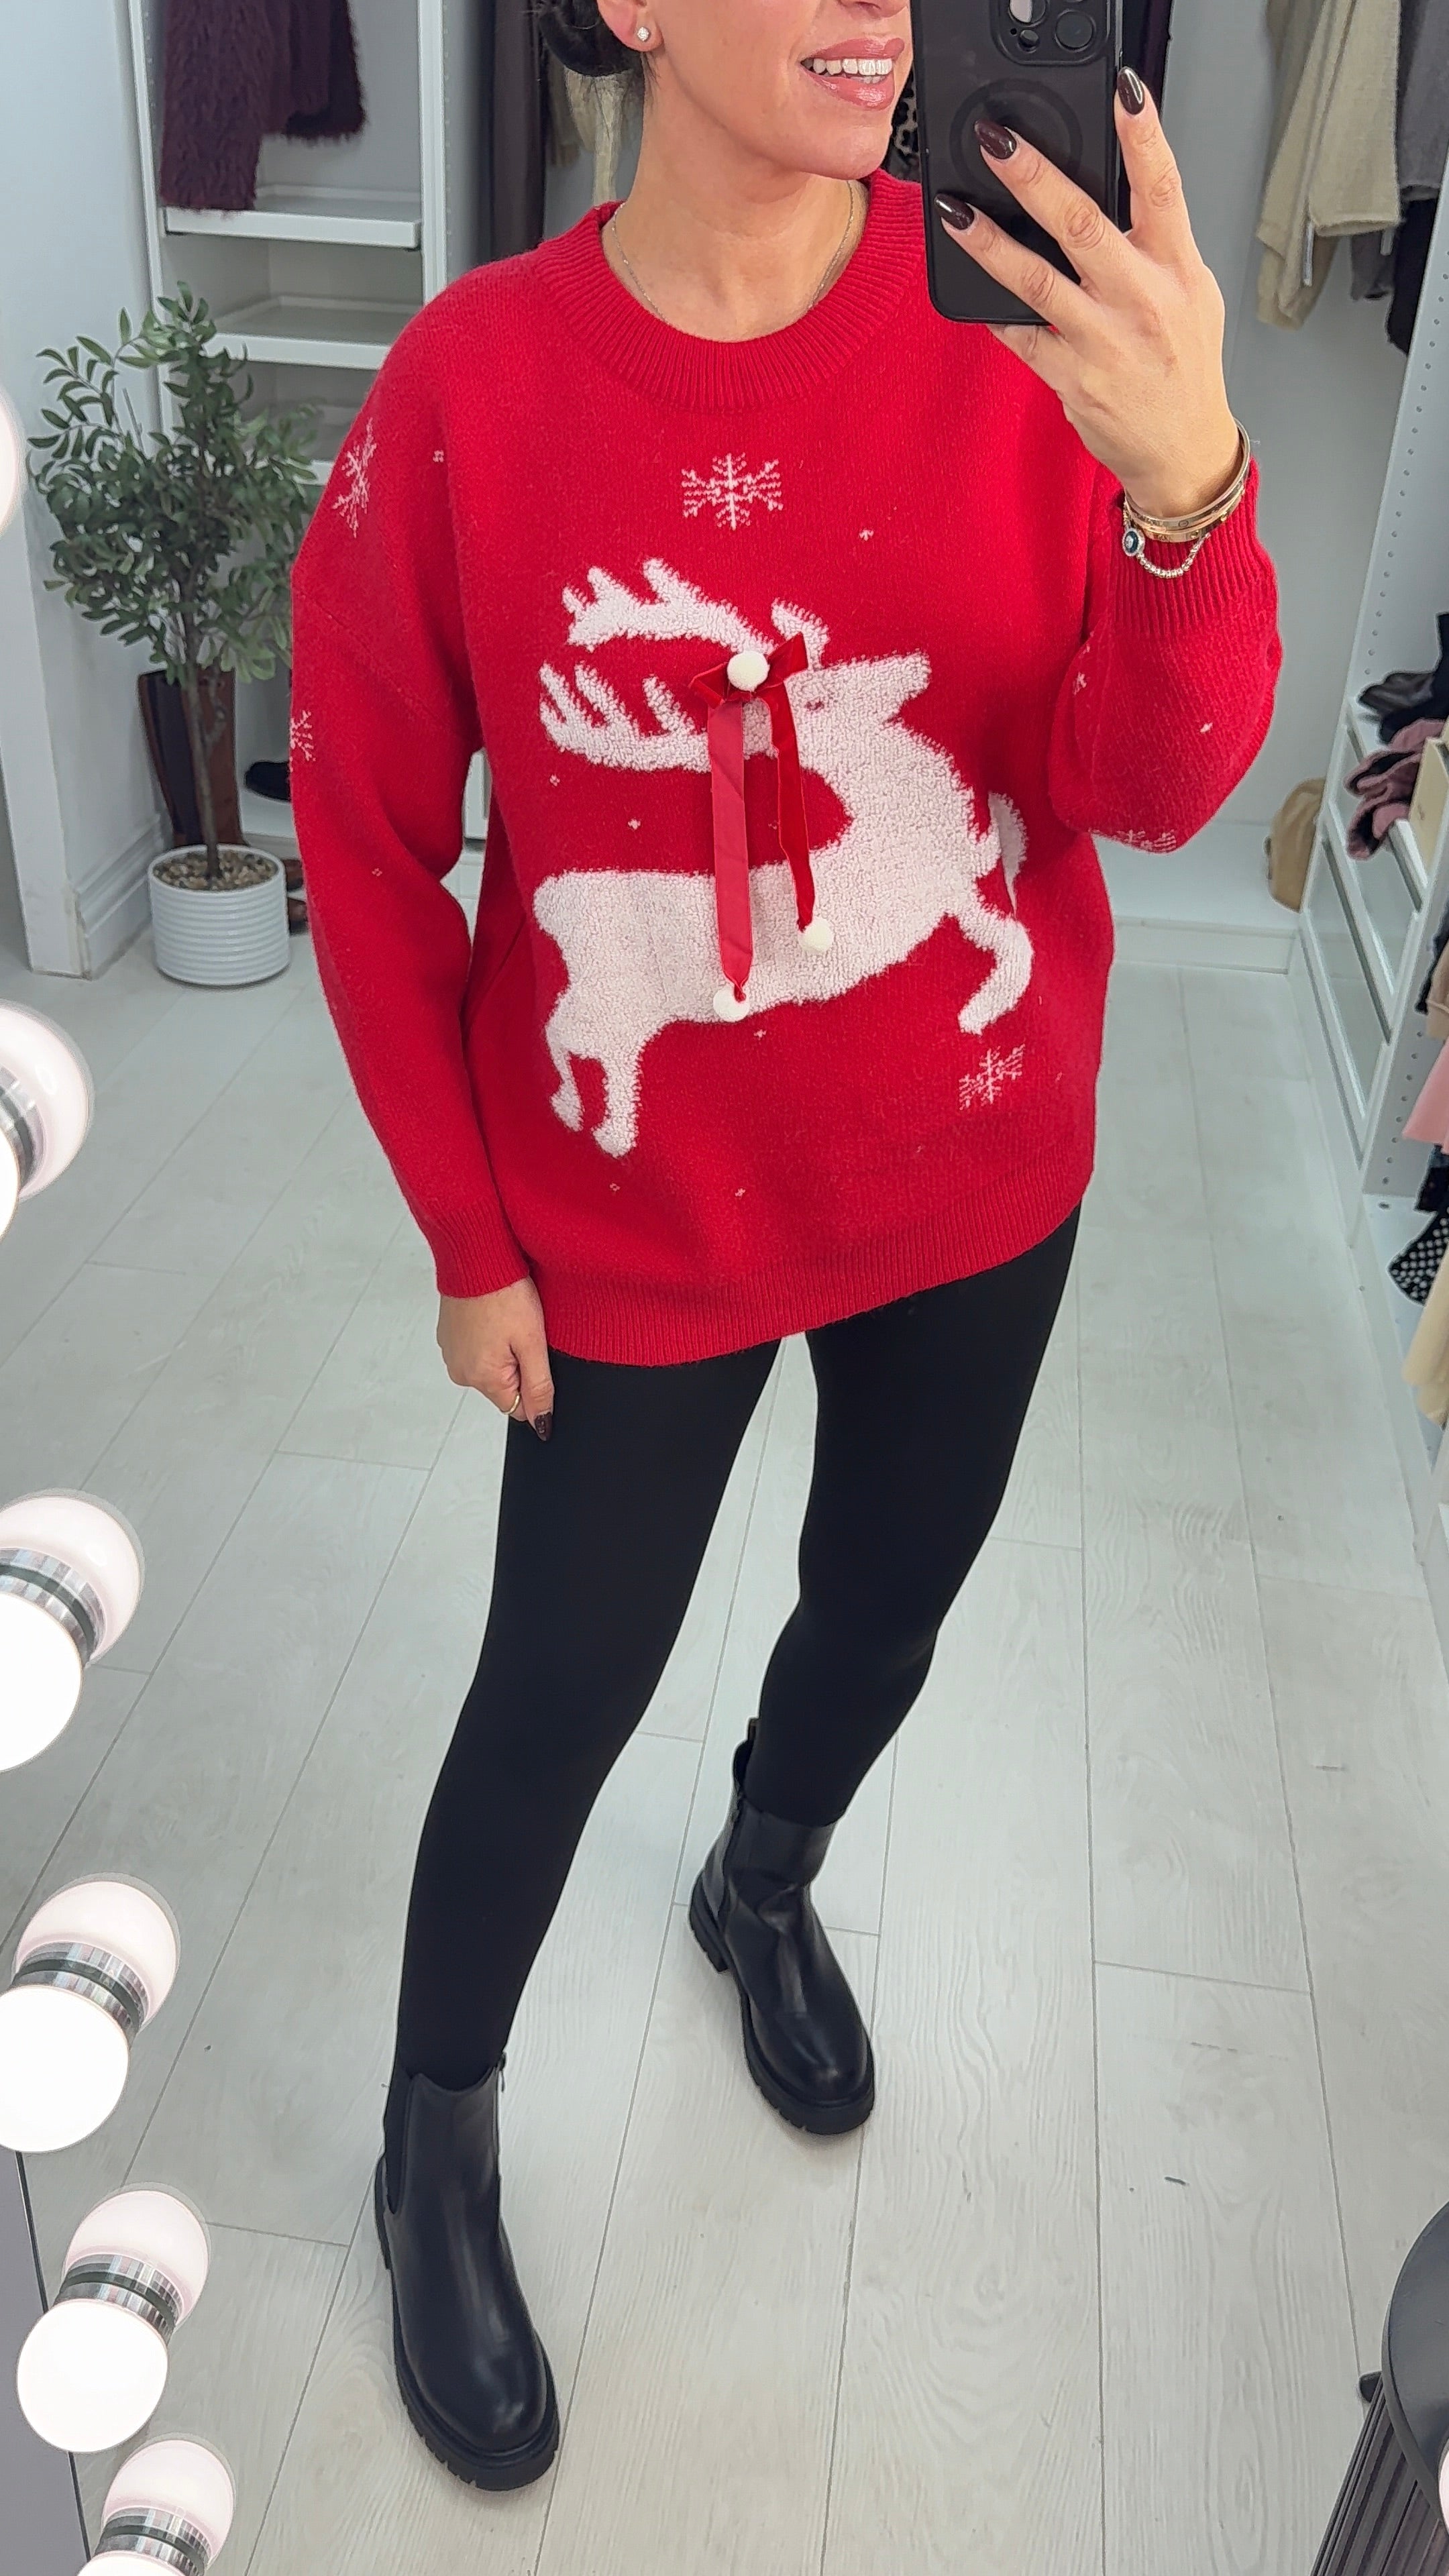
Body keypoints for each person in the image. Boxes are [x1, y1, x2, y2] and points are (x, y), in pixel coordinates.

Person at [289, 0, 1280, 2495]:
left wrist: (1189, 494)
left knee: (885, 1609)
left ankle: (764, 1873)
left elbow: (1152, 791)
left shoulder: (1021, 334)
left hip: (975, 1178)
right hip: (628, 1230)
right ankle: (435, 2128)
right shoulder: (469, 390)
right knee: (555, 1691)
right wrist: (464, 1235)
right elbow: (373, 844)